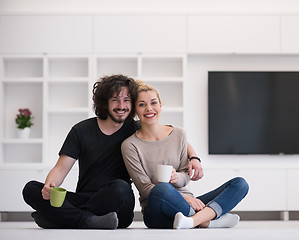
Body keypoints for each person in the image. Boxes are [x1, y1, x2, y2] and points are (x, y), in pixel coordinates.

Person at [22, 74, 204, 229]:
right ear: (104, 103)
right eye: (115, 100)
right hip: (85, 198)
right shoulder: (81, 130)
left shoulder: (135, 129)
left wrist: (193, 156)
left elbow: (168, 134)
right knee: (31, 188)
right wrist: (50, 185)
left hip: (118, 203)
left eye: (126, 100)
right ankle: (87, 220)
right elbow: (61, 168)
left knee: (121, 188)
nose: (121, 105)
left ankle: (58, 217)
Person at [121, 81, 249, 229]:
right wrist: (185, 198)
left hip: (188, 202)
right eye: (142, 104)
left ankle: (193, 221)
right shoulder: (130, 145)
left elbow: (185, 177)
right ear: (135, 110)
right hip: (157, 212)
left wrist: (178, 178)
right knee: (161, 188)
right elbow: (145, 189)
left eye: (153, 103)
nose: (149, 109)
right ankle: (207, 219)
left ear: (160, 105)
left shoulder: (179, 134)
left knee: (240, 183)